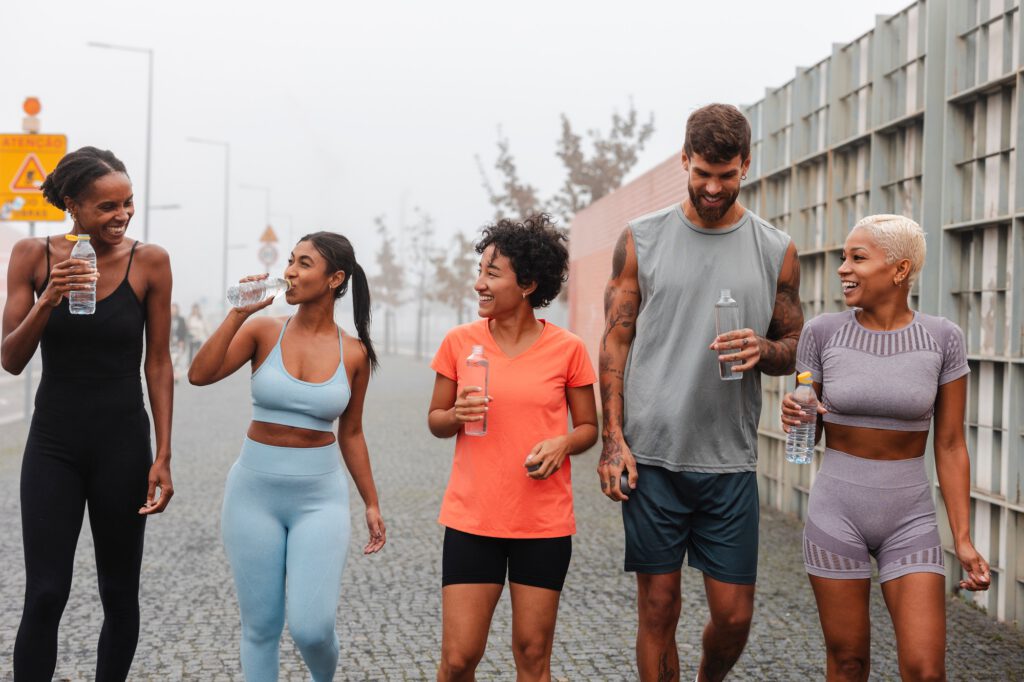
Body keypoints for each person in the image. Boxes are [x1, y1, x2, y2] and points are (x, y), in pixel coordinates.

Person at [598, 103, 803, 682]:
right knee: (658, 608)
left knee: (734, 618)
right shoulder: (641, 238)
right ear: (685, 160)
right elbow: (614, 345)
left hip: (729, 460)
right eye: (702, 173)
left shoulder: (775, 248)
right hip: (653, 458)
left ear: (746, 166)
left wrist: (764, 350)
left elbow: (793, 342)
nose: (714, 188)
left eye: (727, 175)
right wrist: (613, 440)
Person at [781, 214, 990, 681]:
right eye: (842, 257)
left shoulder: (943, 339)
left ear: (899, 270)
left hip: (910, 518)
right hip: (837, 513)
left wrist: (963, 539)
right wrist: (797, 415)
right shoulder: (821, 333)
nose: (842, 268)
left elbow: (952, 445)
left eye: (858, 258)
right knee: (849, 663)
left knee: (924, 669)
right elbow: (807, 430)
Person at [0, 146, 175, 680]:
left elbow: (159, 363)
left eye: (128, 204)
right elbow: (9, 359)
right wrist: (47, 298)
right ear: (73, 205)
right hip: (54, 443)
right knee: (46, 592)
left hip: (123, 444)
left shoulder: (151, 262)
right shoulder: (32, 256)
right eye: (106, 207)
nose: (121, 216)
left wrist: (163, 455)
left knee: (119, 593)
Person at [188, 231, 386, 682]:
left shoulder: (354, 352)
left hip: (320, 498)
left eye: (304, 264)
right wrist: (238, 313)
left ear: (335, 279)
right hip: (252, 494)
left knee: (312, 628)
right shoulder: (262, 330)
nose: (290, 272)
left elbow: (352, 433)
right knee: (260, 628)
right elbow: (199, 375)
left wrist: (371, 502)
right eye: (291, 261)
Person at [427, 214, 598, 682]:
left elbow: (588, 427)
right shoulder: (459, 343)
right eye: (480, 270)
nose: (479, 283)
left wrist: (563, 443)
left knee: (532, 655)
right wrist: (456, 416)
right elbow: (436, 421)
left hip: (542, 524)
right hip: (472, 519)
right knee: (459, 658)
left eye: (491, 273)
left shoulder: (568, 349)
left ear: (527, 284)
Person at [169, 302, 188, 382]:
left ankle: (176, 375)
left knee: (177, 359)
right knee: (171, 359)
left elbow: (184, 331)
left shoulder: (181, 319)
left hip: (179, 342)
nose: (173, 310)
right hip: (169, 342)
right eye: (171, 308)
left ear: (177, 310)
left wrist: (182, 341)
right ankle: (172, 374)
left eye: (174, 308)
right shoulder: (166, 318)